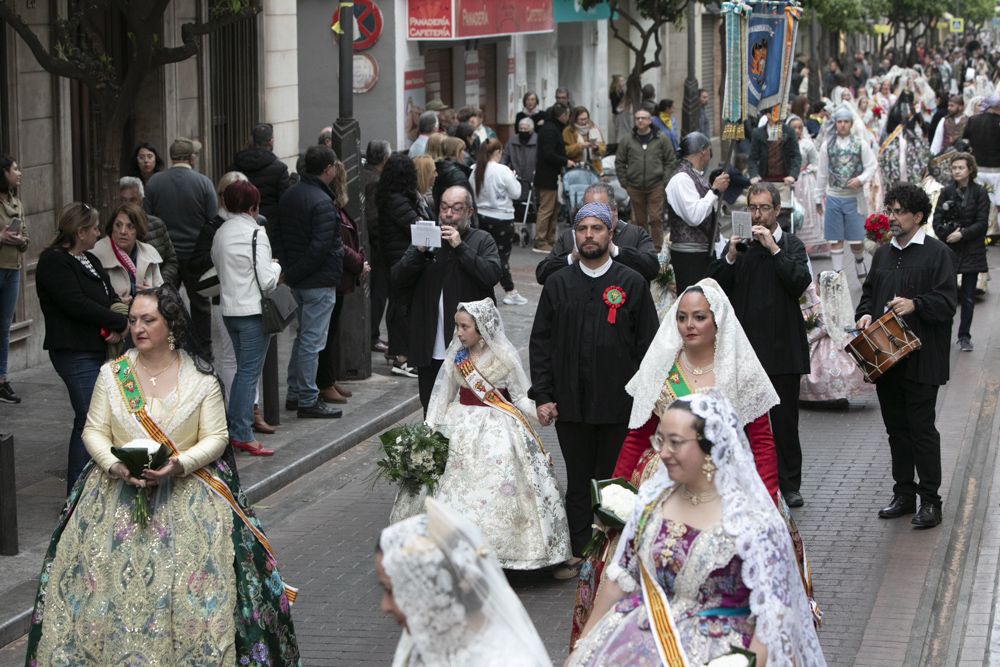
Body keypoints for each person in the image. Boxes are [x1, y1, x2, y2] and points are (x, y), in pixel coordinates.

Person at [26, 285, 300, 665]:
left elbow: (218, 437)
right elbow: (93, 431)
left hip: (189, 499)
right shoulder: (112, 374)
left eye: (148, 320)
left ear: (170, 325)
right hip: (111, 498)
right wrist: (114, 464)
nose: (138, 327)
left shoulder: (202, 379)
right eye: (133, 320)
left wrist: (179, 464)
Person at [567, 279, 824, 645]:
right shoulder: (661, 369)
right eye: (683, 317)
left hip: (726, 486)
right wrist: (616, 493)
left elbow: (763, 442)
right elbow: (638, 435)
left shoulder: (739, 369)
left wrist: (763, 503)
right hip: (661, 481)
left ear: (717, 321)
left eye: (699, 317)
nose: (689, 325)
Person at [567, 392, 826, 666]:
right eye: (660, 440)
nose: (663, 453)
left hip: (722, 653)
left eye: (675, 443)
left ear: (710, 447)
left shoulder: (753, 521)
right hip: (636, 640)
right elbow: (618, 581)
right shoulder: (652, 503)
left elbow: (775, 617)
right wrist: (582, 649)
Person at [528, 202, 658, 572]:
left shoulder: (630, 283)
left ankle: (613, 549)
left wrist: (644, 401)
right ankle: (581, 547)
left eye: (596, 229)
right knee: (578, 479)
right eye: (582, 229)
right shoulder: (558, 283)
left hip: (618, 405)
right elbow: (541, 343)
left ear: (610, 234)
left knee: (614, 478)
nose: (588, 235)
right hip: (570, 404)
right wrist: (543, 395)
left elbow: (647, 347)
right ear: (574, 235)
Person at [403, 298, 573, 570]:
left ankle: (503, 552)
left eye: (464, 327)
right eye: (457, 326)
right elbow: (440, 397)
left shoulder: (505, 357)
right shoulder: (456, 356)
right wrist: (428, 433)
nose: (458, 333)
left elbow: (519, 397)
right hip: (459, 425)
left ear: (481, 329)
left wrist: (539, 412)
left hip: (500, 426)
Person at [857, 182, 957, 529]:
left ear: (918, 215)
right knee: (896, 430)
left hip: (922, 359)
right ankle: (904, 493)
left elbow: (947, 303)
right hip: (886, 359)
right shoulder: (883, 253)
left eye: (900, 212)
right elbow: (868, 294)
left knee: (921, 429)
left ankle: (931, 500)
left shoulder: (937, 253)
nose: (893, 217)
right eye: (891, 210)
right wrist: (865, 314)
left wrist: (916, 304)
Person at [709, 183, 812, 508]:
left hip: (783, 350)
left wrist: (774, 250)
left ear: (777, 210)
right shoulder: (740, 249)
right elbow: (715, 287)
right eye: (752, 207)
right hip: (745, 350)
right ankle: (748, 480)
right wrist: (729, 255)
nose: (757, 214)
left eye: (764, 208)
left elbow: (799, 282)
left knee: (784, 423)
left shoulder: (791, 245)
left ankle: (789, 484)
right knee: (743, 420)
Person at [376, 497, 552, 666]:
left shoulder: (507, 661)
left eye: (392, 590)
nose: (385, 606)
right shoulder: (426, 634)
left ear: (436, 588)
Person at [36, 203, 130, 491]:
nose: (98, 233)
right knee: (89, 417)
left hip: (99, 346)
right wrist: (118, 320)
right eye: (94, 228)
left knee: (106, 415)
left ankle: (97, 485)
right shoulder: (54, 261)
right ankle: (77, 492)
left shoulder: (89, 258)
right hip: (74, 351)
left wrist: (118, 323)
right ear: (79, 232)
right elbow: (77, 304)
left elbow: (108, 294)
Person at [392, 186, 502, 411]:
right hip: (430, 348)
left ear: (469, 212)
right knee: (431, 411)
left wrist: (461, 247)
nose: (449, 214)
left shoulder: (482, 240)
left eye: (456, 209)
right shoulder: (429, 240)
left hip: (470, 350)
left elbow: (491, 274)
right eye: (444, 208)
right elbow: (397, 279)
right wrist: (417, 251)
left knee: (468, 412)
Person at [273, 144, 344, 419]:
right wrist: (295, 272)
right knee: (312, 342)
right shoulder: (322, 201)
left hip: (298, 280)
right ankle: (307, 398)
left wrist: (289, 271)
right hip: (315, 280)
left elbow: (278, 235)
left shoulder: (291, 195)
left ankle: (295, 393)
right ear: (328, 170)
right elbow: (321, 246)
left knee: (302, 338)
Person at [211, 180, 281, 456]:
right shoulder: (256, 233)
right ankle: (240, 432)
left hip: (229, 310)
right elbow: (266, 282)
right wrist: (276, 266)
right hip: (253, 312)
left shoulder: (220, 233)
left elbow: (218, 267)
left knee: (242, 371)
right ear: (254, 207)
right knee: (247, 374)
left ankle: (236, 430)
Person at [144, 137, 217, 346]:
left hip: (165, 257)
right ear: (191, 157)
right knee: (201, 305)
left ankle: (167, 345)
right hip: (195, 256)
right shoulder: (203, 183)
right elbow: (212, 221)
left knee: (164, 303)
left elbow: (146, 219)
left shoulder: (155, 182)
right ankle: (204, 350)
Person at [316, 161, 370, 404]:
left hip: (338, 276)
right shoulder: (330, 209)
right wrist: (359, 263)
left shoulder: (337, 209)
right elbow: (338, 244)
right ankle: (323, 382)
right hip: (332, 276)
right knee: (323, 335)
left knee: (330, 332)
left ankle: (328, 378)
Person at [535, 182, 658, 285]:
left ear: (614, 210)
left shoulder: (635, 234)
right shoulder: (571, 237)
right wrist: (571, 258)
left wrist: (616, 251)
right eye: (587, 209)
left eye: (600, 209)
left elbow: (652, 269)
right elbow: (542, 274)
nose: (593, 215)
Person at [379, 154, 434, 378]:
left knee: (400, 306)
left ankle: (401, 353)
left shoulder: (392, 197)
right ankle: (403, 357)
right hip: (402, 259)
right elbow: (416, 225)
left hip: (397, 257)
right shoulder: (398, 200)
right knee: (402, 308)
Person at [933, 152, 988, 352]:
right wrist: (949, 233)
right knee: (945, 294)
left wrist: (962, 234)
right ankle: (943, 333)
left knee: (968, 296)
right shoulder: (946, 192)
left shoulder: (979, 193)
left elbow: (982, 223)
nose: (956, 171)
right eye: (954, 167)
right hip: (949, 250)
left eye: (960, 167)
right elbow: (936, 221)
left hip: (972, 250)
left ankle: (964, 335)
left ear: (970, 170)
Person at [816, 106, 878, 277]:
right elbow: (822, 172)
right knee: (835, 238)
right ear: (835, 123)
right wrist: (817, 196)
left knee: (856, 240)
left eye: (846, 122)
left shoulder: (860, 144)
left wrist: (861, 179)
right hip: (834, 196)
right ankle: (838, 276)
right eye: (839, 122)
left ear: (851, 124)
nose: (842, 125)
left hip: (854, 197)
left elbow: (872, 165)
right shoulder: (827, 145)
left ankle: (859, 261)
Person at [665, 132, 728, 292]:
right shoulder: (681, 179)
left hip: (703, 252)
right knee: (694, 303)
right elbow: (694, 216)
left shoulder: (696, 176)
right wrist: (713, 191)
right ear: (703, 151)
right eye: (709, 151)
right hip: (689, 256)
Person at [470, 139, 526, 306]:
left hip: (481, 217)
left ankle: (480, 287)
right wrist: (514, 180)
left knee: (481, 254)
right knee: (501, 257)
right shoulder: (503, 170)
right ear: (498, 152)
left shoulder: (474, 169)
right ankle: (510, 291)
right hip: (502, 217)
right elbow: (516, 193)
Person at [799, 271, 869, 404]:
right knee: (839, 366)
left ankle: (828, 395)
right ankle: (839, 394)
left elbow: (824, 327)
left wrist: (809, 337)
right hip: (841, 338)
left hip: (827, 342)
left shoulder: (823, 307)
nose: (815, 288)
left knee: (823, 366)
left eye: (817, 285)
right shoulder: (838, 303)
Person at [615, 107, 677, 251]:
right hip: (634, 186)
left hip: (655, 185)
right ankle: (642, 248)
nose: (640, 121)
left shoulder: (660, 138)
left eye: (643, 118)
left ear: (649, 121)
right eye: (637, 118)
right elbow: (619, 161)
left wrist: (664, 180)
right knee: (639, 220)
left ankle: (657, 250)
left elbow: (670, 160)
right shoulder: (627, 140)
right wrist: (625, 182)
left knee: (655, 218)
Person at [90, 204, 164, 303]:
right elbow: (90, 298)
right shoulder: (95, 253)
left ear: (138, 230)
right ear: (112, 227)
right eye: (118, 225)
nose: (123, 231)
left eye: (130, 226)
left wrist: (152, 293)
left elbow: (163, 294)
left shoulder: (149, 252)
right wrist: (114, 302)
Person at [119, 176, 179, 288]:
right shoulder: (114, 229)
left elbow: (171, 261)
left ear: (141, 201)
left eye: (132, 200)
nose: (127, 205)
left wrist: (158, 282)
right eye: (123, 200)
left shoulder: (157, 225)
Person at [0, 156, 26, 404]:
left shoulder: (16, 201)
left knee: (4, 327)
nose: (19, 173)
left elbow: (26, 236)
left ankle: (2, 379)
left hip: (13, 268)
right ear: (4, 172)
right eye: (15, 169)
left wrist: (20, 240)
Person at [532, 103, 575, 253]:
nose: (569, 118)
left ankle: (549, 239)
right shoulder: (550, 130)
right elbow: (549, 153)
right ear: (562, 115)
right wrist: (565, 161)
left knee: (554, 209)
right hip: (547, 176)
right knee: (546, 209)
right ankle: (540, 240)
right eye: (568, 115)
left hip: (552, 176)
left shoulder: (553, 128)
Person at [227, 122, 291, 225]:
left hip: (240, 224)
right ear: (270, 142)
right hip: (270, 228)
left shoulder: (235, 166)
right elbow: (285, 205)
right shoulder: (280, 169)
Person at [748, 111, 801, 230]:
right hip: (764, 182)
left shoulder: (789, 131)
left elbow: (796, 156)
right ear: (767, 114)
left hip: (783, 182)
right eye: (772, 112)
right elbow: (752, 158)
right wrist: (754, 175)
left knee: (783, 215)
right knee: (761, 214)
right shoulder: (758, 133)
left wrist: (792, 175)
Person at [363, 140, 392, 355]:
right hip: (375, 248)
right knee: (378, 292)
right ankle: (372, 335)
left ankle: (371, 334)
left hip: (368, 245)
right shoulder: (375, 181)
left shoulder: (366, 175)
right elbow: (374, 219)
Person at [789, 115, 829, 257]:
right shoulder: (785, 143)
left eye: (800, 127)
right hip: (789, 181)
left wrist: (807, 169)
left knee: (809, 212)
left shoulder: (807, 144)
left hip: (805, 181)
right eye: (794, 128)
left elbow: (816, 162)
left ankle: (811, 245)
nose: (797, 130)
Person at [878, 95, 930, 185]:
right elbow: (923, 126)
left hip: (897, 142)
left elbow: (888, 129)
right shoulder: (914, 110)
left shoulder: (894, 109)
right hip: (911, 142)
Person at [962, 96, 1000, 222]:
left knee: (979, 204)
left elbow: (965, 143)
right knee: (998, 205)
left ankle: (981, 233)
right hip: (997, 171)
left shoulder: (973, 120)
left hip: (977, 169)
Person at [432, 136, 473, 213]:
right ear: (457, 152)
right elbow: (467, 202)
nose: (464, 154)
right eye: (462, 150)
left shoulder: (438, 168)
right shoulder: (457, 175)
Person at [563, 106, 606, 174]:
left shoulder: (594, 129)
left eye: (586, 119)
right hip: (576, 169)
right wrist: (580, 146)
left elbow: (603, 148)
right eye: (581, 119)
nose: (584, 121)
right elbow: (566, 151)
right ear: (575, 119)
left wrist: (596, 148)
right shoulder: (568, 131)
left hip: (595, 168)